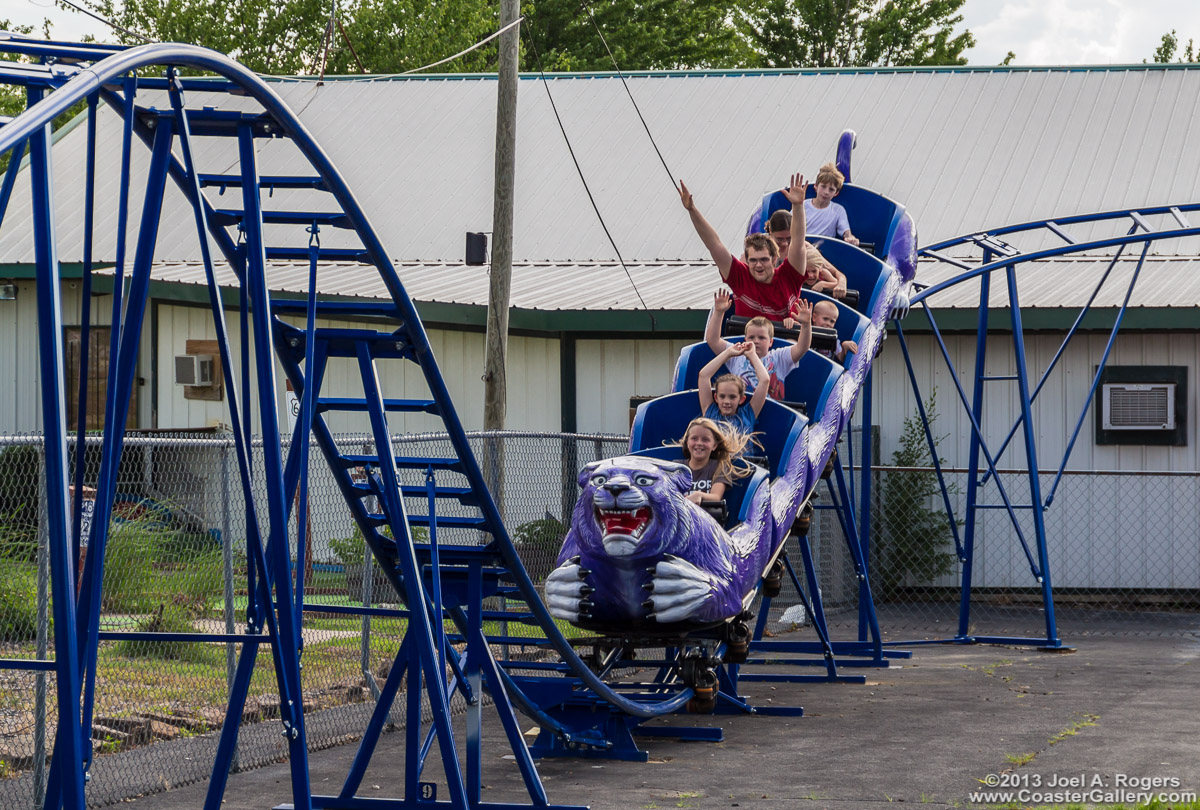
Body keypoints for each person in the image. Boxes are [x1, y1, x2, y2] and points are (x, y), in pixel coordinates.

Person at [680, 174, 808, 321]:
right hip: (748, 342)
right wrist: (692, 210)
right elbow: (714, 244)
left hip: (784, 341)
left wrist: (797, 206)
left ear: (774, 259)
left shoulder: (789, 276)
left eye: (764, 260)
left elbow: (798, 242)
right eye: (753, 260)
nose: (758, 265)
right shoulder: (741, 277)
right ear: (747, 260)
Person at [706, 290, 811, 401]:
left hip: (772, 409)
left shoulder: (779, 357)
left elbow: (802, 347)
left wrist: (806, 324)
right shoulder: (736, 355)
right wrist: (718, 312)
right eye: (751, 337)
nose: (756, 341)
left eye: (761, 338)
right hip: (742, 408)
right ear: (745, 339)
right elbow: (713, 340)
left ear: (771, 342)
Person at [766, 209, 847, 298]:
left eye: (789, 239)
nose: (785, 244)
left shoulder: (804, 247)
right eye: (779, 239)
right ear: (770, 232)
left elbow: (837, 273)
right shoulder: (759, 249)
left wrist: (842, 284)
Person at [698, 342, 769, 437]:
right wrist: (728, 353)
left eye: (732, 397)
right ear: (716, 397)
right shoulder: (710, 412)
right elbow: (703, 376)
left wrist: (752, 355)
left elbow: (765, 380)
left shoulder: (747, 415)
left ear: (741, 399)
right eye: (722, 396)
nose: (727, 401)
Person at [673, 417, 750, 505]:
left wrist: (699, 495)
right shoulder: (677, 467)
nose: (699, 443)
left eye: (705, 440)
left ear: (714, 446)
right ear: (687, 442)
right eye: (694, 438)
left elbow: (716, 497)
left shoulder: (719, 466)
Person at [805, 162, 860, 246]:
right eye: (823, 187)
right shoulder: (803, 205)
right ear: (816, 186)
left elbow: (846, 231)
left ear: (836, 193)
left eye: (831, 189)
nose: (826, 192)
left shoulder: (838, 210)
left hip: (824, 251)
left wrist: (851, 238)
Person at [810, 299, 858, 364]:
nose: (828, 323)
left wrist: (844, 347)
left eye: (832, 321)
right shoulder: (806, 333)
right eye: (825, 319)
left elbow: (841, 358)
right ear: (814, 317)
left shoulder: (833, 340)